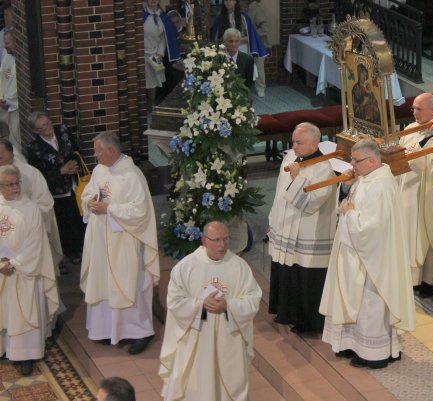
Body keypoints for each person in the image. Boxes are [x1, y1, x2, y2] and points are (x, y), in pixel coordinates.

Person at [320, 139, 415, 369]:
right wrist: (347, 191)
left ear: (373, 161)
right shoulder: (368, 178)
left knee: (371, 304)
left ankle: (376, 354)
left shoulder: (381, 186)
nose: (352, 164)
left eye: (356, 160)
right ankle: (356, 345)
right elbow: (351, 202)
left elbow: (372, 229)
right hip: (356, 254)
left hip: (373, 259)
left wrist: (350, 215)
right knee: (358, 302)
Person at [159, 221, 262, 401]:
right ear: (204, 241)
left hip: (228, 340)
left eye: (225, 239)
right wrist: (200, 304)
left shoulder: (239, 267)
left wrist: (228, 306)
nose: (222, 245)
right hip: (197, 339)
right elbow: (174, 302)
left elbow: (253, 299)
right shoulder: (186, 267)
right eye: (216, 240)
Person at [80, 131, 159, 354]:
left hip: (125, 240)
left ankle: (140, 332)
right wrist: (91, 203)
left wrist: (110, 209)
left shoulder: (132, 176)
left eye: (98, 151)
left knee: (129, 284)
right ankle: (106, 330)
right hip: (101, 240)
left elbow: (140, 211)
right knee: (103, 282)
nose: (94, 155)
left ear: (111, 151)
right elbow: (87, 194)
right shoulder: (99, 170)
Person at [267, 123, 337, 334]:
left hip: (309, 231)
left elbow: (312, 203)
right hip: (286, 225)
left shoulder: (324, 169)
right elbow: (280, 192)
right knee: (286, 271)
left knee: (305, 278)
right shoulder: (290, 158)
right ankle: (286, 313)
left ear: (314, 143)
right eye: (293, 141)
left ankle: (309, 324)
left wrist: (298, 178)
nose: (293, 146)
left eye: (299, 142)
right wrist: (274, 218)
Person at [0, 165, 60, 376]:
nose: (15, 188)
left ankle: (26, 355)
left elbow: (36, 245)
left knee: (23, 312)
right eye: (9, 185)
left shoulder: (31, 209)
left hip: (24, 271)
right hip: (1, 270)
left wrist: (14, 263)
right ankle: (4, 348)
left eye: (17, 183)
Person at [397, 93, 433, 297]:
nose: (414, 113)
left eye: (419, 109)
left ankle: (428, 280)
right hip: (408, 189)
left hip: (428, 192)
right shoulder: (411, 129)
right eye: (413, 108)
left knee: (427, 233)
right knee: (409, 235)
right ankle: (411, 278)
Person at [27, 112, 85, 267]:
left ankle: (82, 248)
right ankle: (68, 254)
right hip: (56, 191)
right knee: (64, 222)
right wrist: (61, 171)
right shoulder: (34, 148)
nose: (49, 128)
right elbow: (38, 176)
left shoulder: (63, 131)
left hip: (74, 184)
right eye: (43, 126)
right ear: (35, 131)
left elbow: (76, 151)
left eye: (49, 123)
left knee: (78, 217)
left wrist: (74, 164)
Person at [0, 140, 65, 274]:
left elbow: (45, 204)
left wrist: (23, 218)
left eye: (0, 157)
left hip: (28, 241)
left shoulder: (31, 174)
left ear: (11, 155)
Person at [142, 0, 181, 112]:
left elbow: (164, 37)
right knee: (149, 81)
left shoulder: (162, 17)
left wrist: (160, 53)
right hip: (144, 53)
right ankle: (150, 103)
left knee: (156, 80)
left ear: (158, 0)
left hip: (156, 55)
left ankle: (153, 102)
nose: (153, 0)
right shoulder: (142, 16)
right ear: (146, 1)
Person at [211, 0, 268, 67]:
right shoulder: (219, 18)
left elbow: (251, 36)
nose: (228, 2)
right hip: (225, 50)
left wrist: (238, 40)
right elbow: (216, 39)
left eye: (231, 0)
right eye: (226, 0)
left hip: (242, 48)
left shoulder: (244, 17)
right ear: (224, 3)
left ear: (235, 2)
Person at [238, 0, 270, 97]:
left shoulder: (256, 9)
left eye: (240, 0)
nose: (238, 2)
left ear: (245, 0)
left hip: (259, 44)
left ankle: (261, 88)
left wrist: (252, 35)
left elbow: (265, 28)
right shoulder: (243, 10)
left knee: (259, 65)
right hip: (247, 43)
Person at [0, 30, 19, 152]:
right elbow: (1, 77)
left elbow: (17, 85)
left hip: (15, 107)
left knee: (15, 137)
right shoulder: (7, 55)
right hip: (3, 103)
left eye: (7, 43)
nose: (4, 46)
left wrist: (7, 100)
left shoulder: (21, 60)